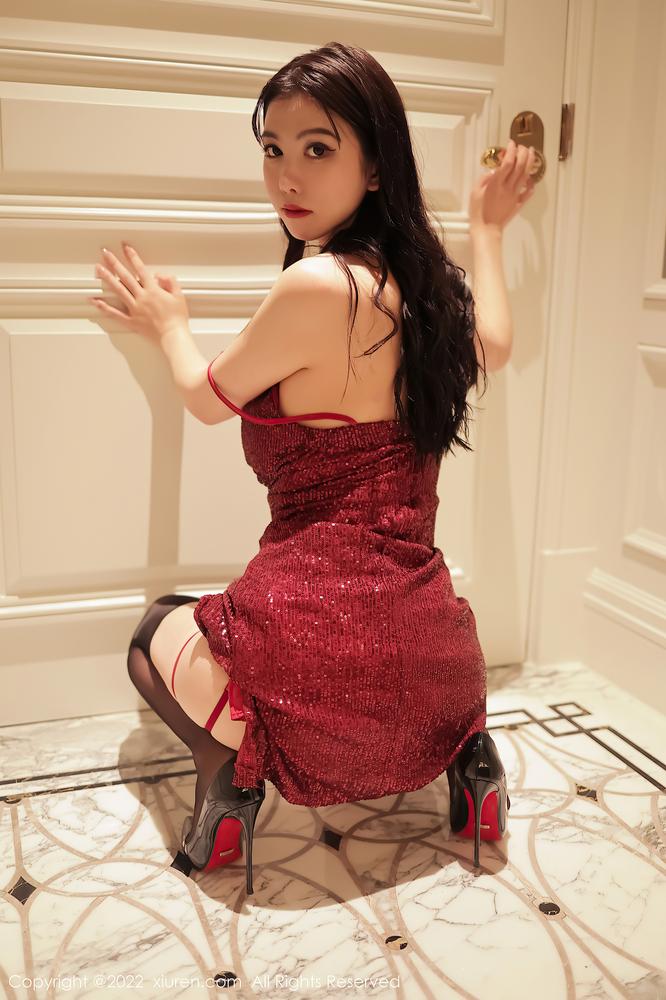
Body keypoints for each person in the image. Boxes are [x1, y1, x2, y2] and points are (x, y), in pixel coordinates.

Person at [93, 42, 535, 890]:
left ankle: (230, 779)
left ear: (376, 166)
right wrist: (488, 228)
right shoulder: (430, 292)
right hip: (439, 677)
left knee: (154, 631)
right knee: (247, 626)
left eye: (317, 148)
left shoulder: (320, 285)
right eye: (273, 149)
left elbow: (207, 397)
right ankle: (470, 757)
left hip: (311, 669)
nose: (286, 177)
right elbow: (501, 344)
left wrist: (168, 323)